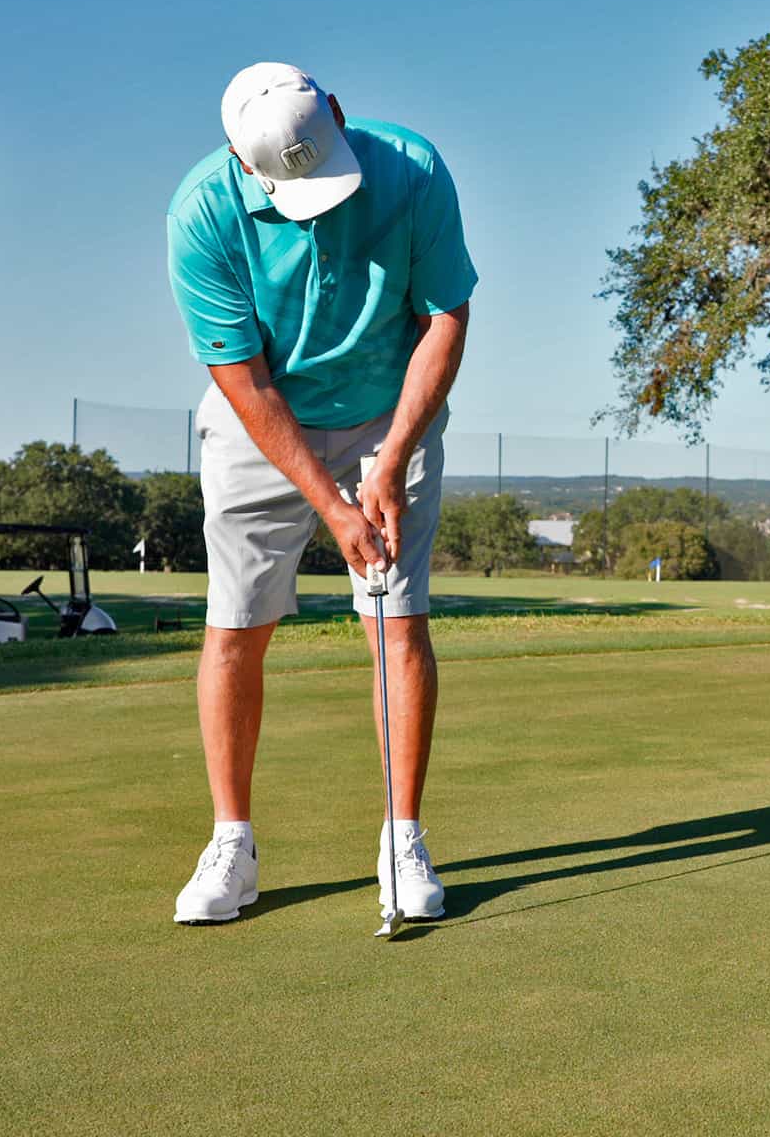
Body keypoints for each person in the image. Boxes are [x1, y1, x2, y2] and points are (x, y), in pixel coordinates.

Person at [164, 62, 476, 925]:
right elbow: (243, 377)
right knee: (236, 625)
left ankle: (402, 839)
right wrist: (334, 508)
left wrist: (392, 457)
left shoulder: (412, 169)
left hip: (389, 411)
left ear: (338, 111)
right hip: (261, 418)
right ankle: (232, 846)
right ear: (241, 159)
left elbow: (445, 317)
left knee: (397, 619)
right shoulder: (201, 213)